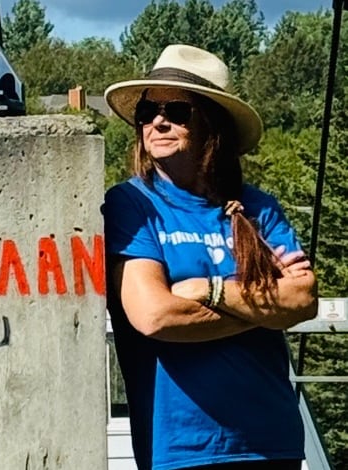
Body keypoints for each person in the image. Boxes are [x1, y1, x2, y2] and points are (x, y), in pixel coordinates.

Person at [102, 44, 318, 470]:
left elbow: (304, 300)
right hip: (181, 449)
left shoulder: (259, 208)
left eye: (178, 111)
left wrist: (209, 290)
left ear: (212, 125)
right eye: (149, 111)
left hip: (273, 442)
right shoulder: (132, 204)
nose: (158, 121)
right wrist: (264, 305)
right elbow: (155, 316)